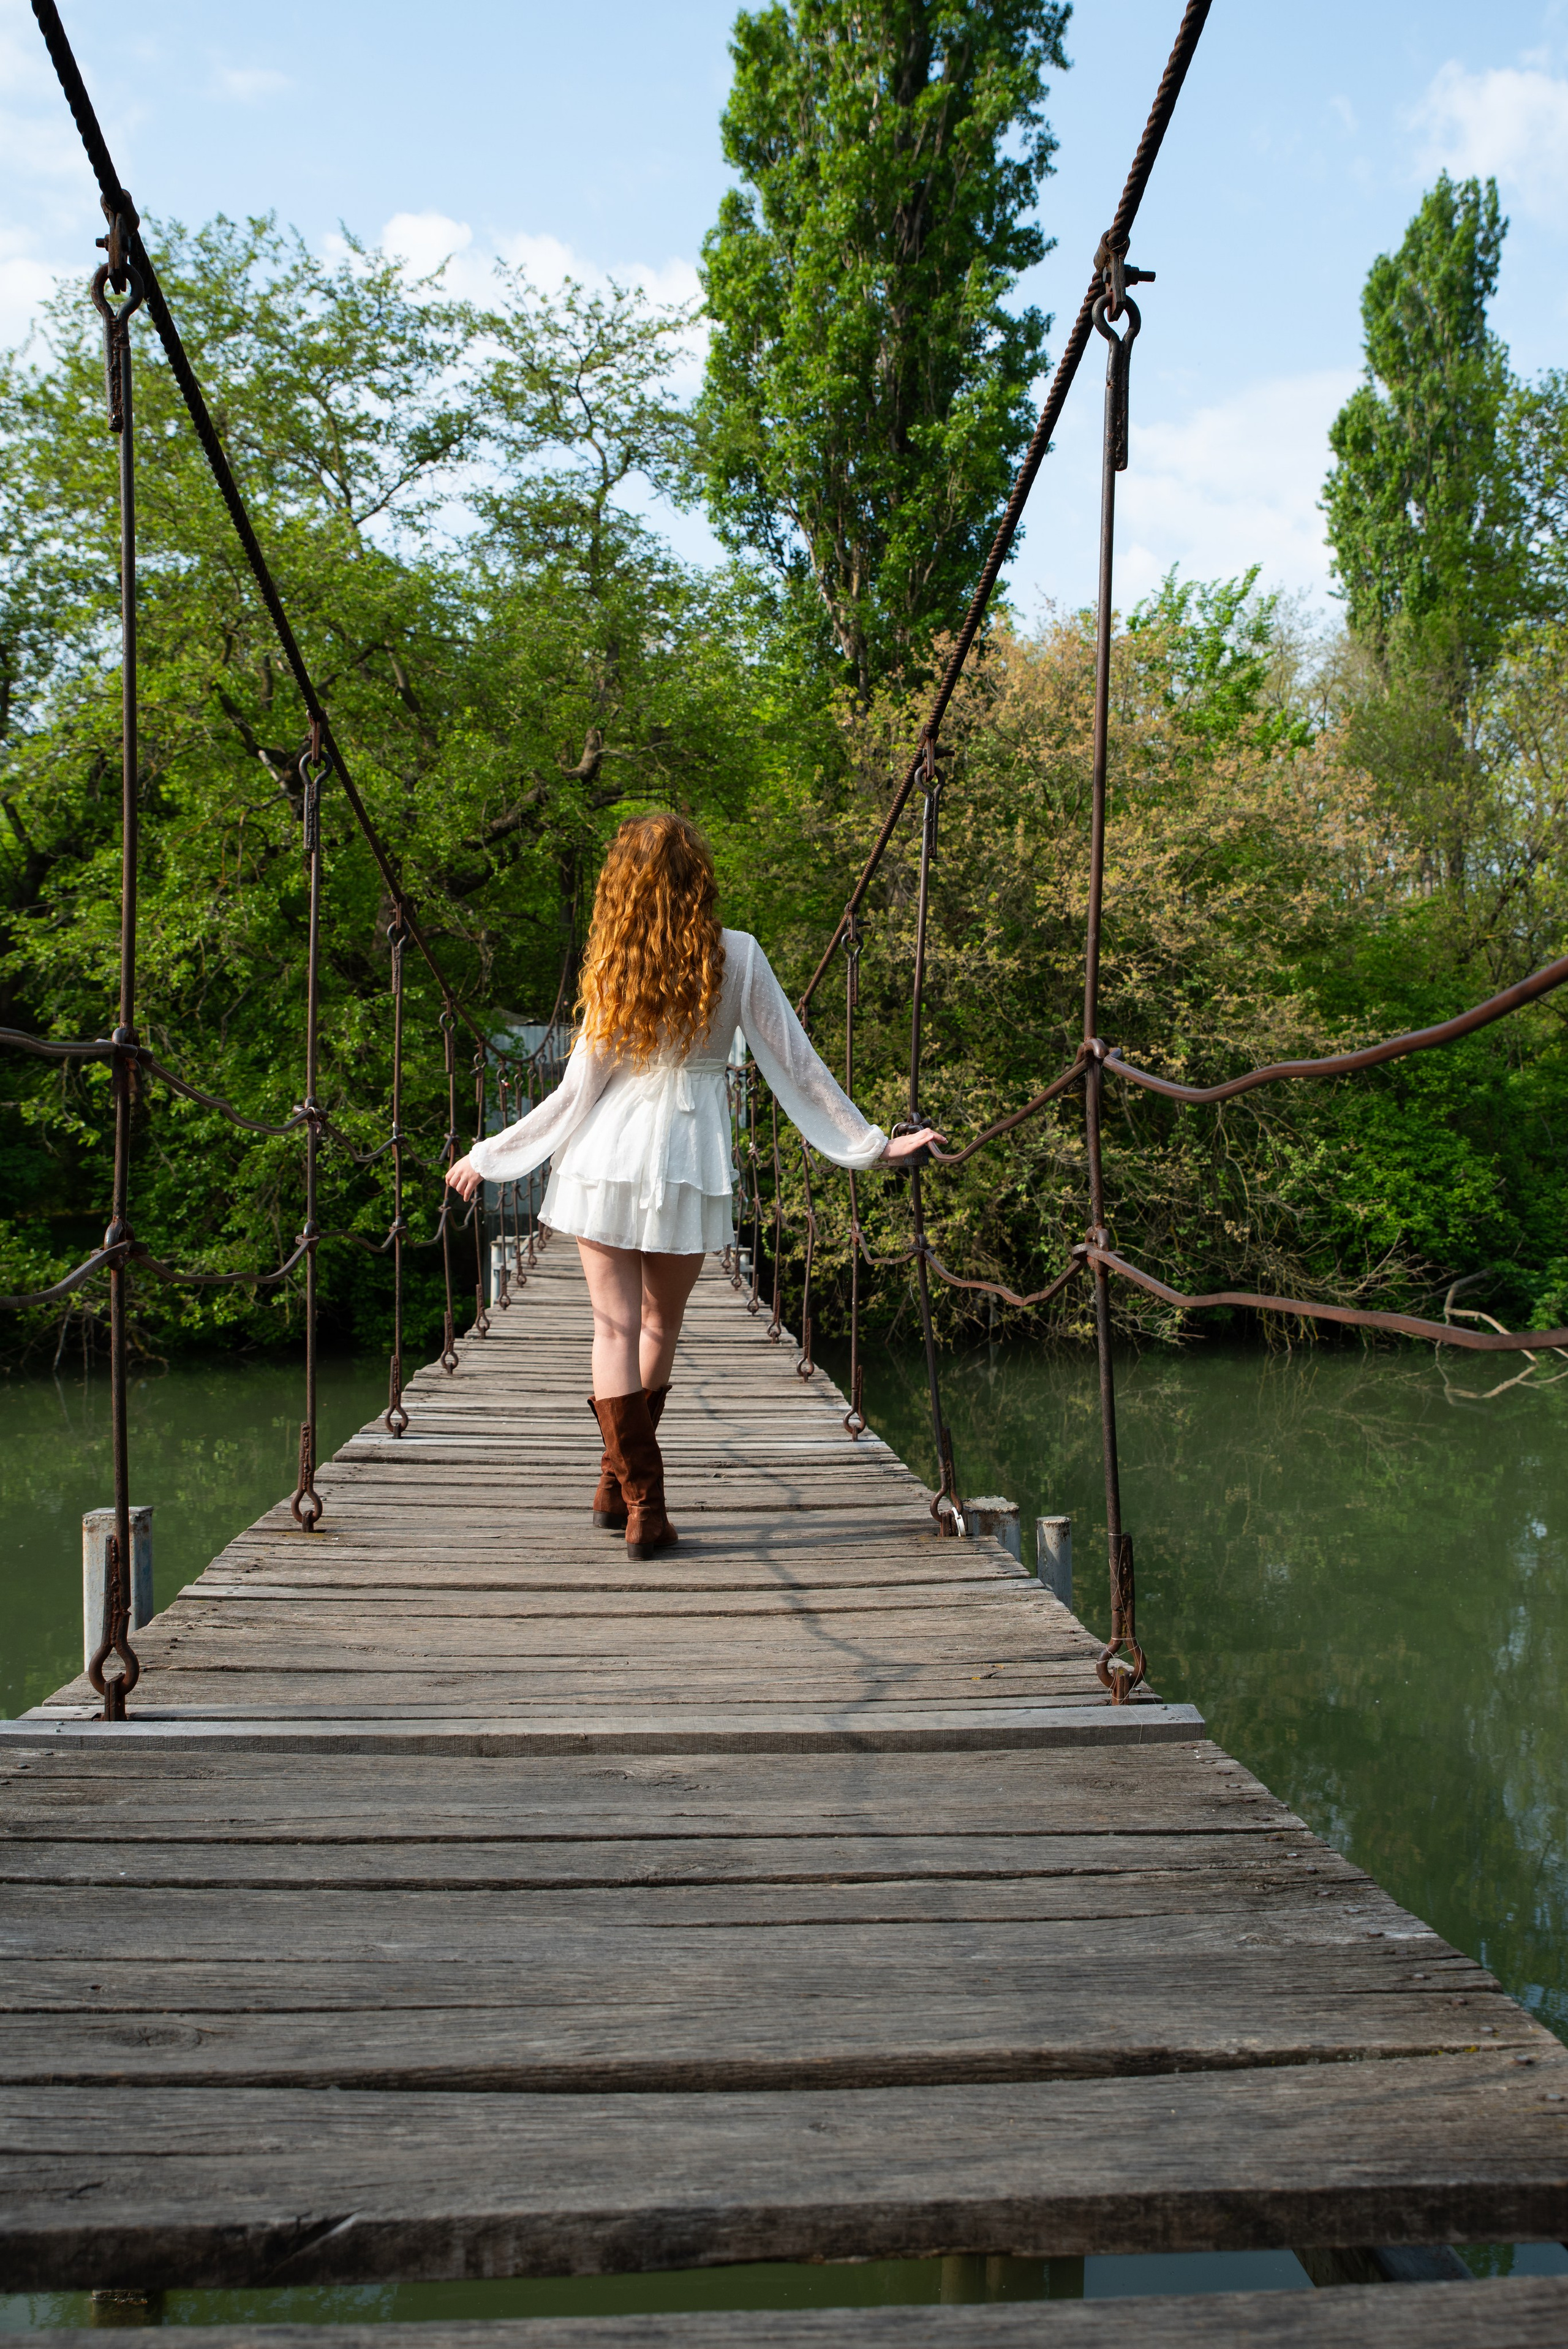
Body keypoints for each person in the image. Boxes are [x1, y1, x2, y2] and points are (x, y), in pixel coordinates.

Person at [446, 812, 940, 1559]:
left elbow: (580, 1091)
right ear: (698, 878)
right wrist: (873, 1146)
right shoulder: (737, 955)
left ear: (622, 888)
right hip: (689, 1156)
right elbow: (795, 1065)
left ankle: (630, 1492)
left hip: (605, 1155)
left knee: (610, 1329)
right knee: (656, 1326)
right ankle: (635, 1502)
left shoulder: (616, 963)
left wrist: (492, 1152)